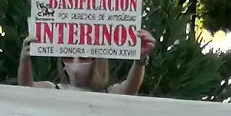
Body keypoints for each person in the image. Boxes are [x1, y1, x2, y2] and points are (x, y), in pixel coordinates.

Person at [17, 29, 156, 93]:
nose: (75, 63)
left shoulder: (108, 94)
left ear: (97, 61)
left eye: (83, 57)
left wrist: (140, 60)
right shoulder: (52, 90)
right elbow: (27, 89)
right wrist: (25, 60)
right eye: (69, 57)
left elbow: (129, 89)